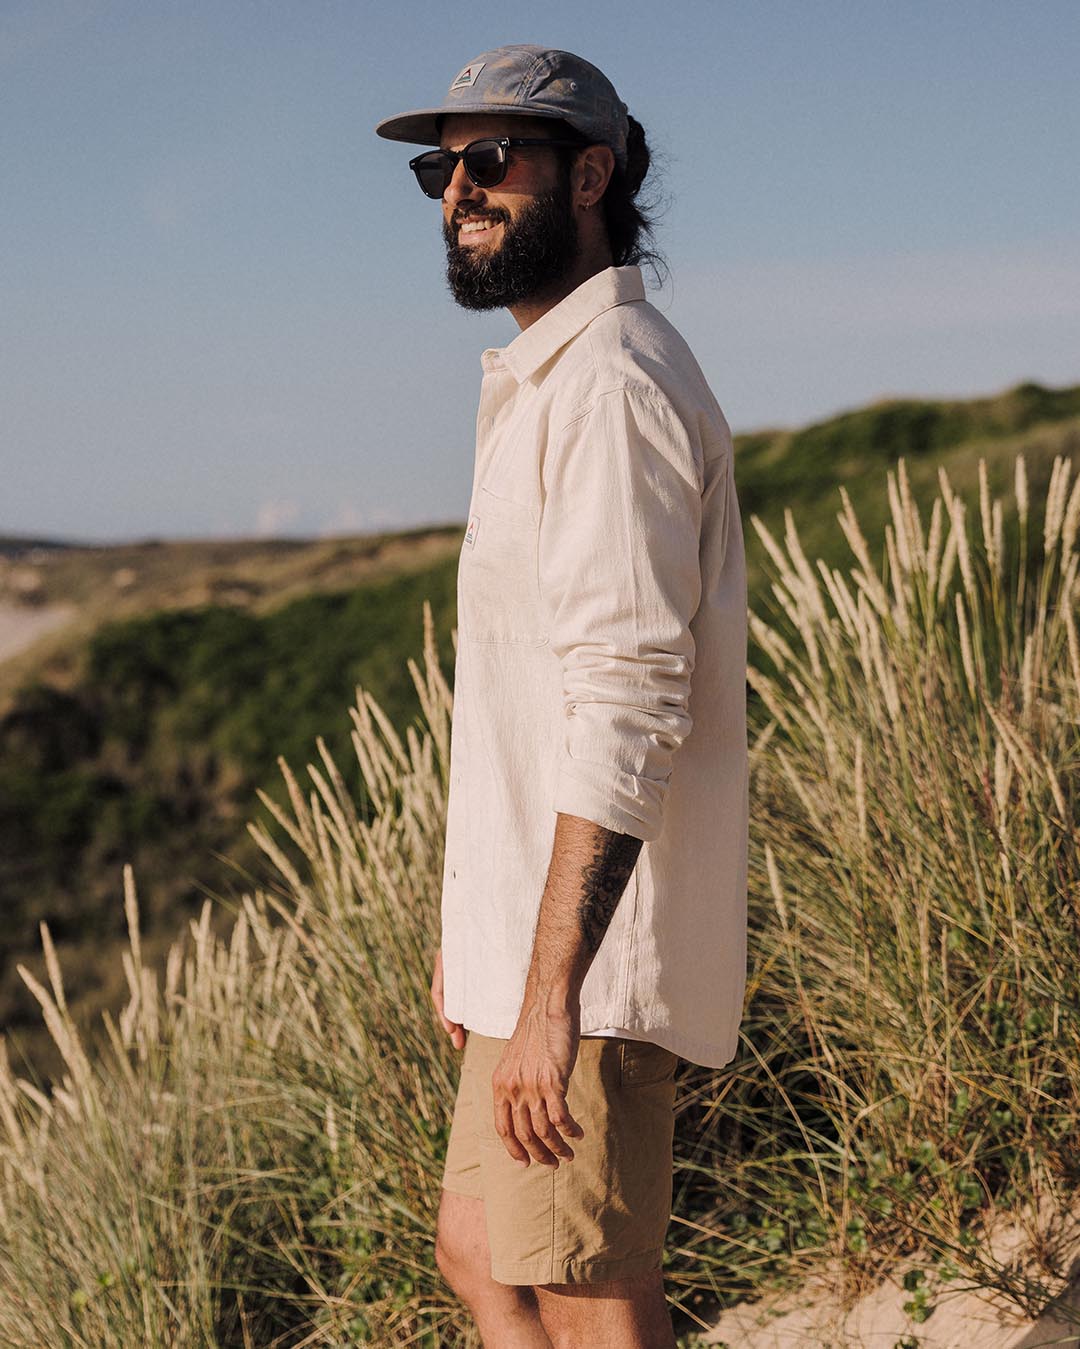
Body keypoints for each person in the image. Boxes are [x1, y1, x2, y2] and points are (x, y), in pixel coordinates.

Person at [376, 44, 748, 1349]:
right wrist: (479, 937)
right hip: (531, 944)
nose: (457, 193)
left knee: (583, 1288)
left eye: (491, 161)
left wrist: (547, 997)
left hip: (586, 969)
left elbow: (628, 701)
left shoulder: (611, 388)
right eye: (440, 170)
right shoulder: (554, 377)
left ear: (591, 177)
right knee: (482, 1252)